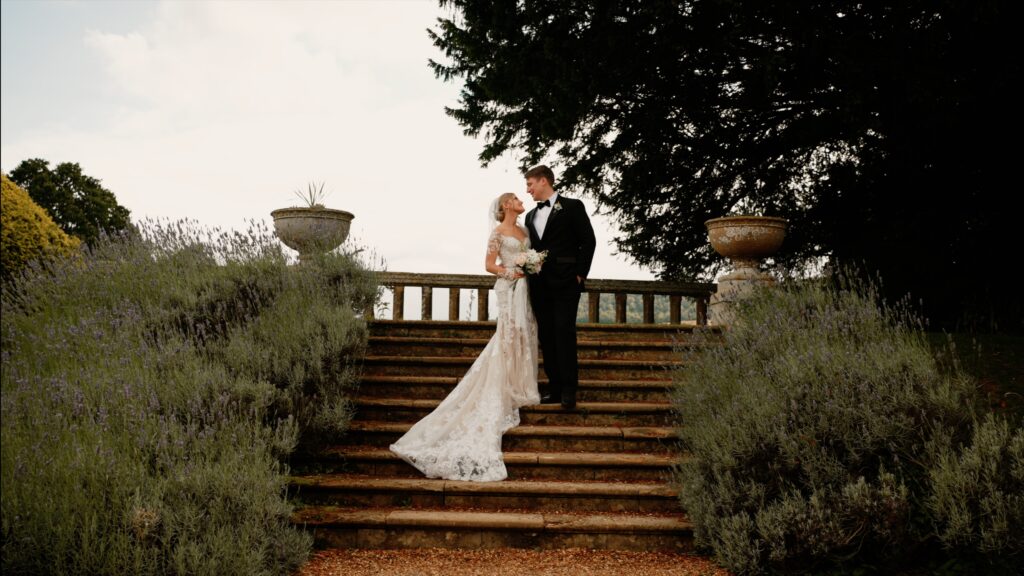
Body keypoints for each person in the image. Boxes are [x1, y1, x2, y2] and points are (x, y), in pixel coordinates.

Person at [389, 193, 540, 482]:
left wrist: (530, 266)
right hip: (509, 287)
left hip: (525, 289)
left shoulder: (525, 231)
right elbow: (488, 264)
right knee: (507, 335)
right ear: (507, 205)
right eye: (517, 199)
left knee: (524, 334)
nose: (522, 201)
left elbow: (528, 255)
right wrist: (512, 271)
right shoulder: (498, 233)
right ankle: (505, 384)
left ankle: (521, 383)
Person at [524, 165, 596, 410]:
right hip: (539, 284)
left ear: (543, 181)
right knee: (546, 335)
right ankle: (554, 388)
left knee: (563, 332)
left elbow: (588, 241)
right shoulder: (530, 216)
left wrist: (580, 274)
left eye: (530, 184)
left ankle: (568, 389)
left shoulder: (573, 207)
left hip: (566, 281)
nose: (528, 190)